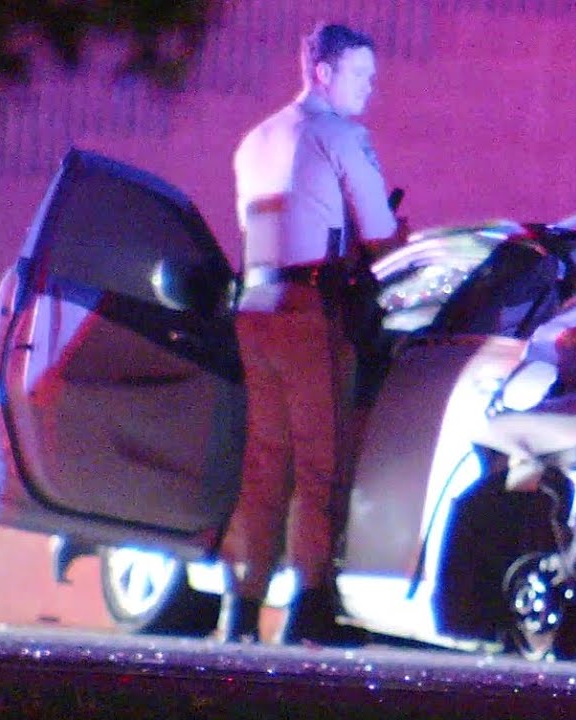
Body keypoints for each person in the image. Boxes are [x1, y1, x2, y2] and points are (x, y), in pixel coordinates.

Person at [220, 22, 403, 644]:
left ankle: (240, 608)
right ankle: (310, 604)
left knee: (264, 461)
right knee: (318, 464)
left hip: (254, 306)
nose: (370, 88)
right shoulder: (340, 135)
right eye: (360, 74)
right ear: (323, 72)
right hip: (305, 312)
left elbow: (267, 231)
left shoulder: (255, 140)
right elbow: (379, 227)